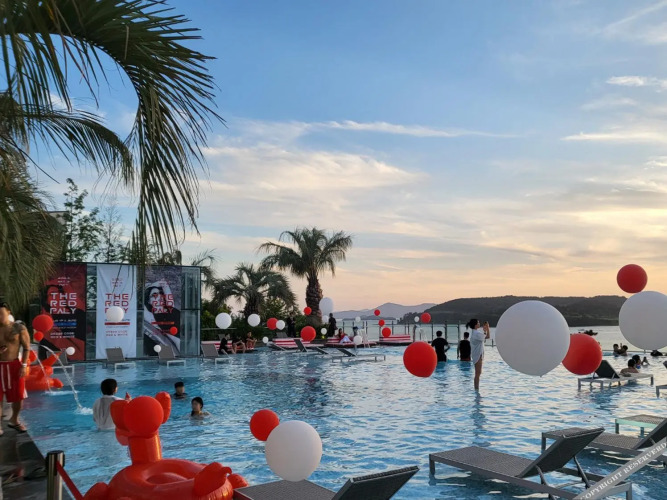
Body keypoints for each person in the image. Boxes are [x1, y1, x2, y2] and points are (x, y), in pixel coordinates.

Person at [0, 303, 31, 434]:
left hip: (14, 365)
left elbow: (27, 348)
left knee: (18, 396)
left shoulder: (18, 328)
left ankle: (14, 420)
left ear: (8, 312)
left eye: (1, 314)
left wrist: (24, 365)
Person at [467, 318, 490, 391]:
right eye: (478, 322)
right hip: (477, 355)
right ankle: (476, 389)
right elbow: (488, 337)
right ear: (475, 325)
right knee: (478, 373)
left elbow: (483, 338)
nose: (479, 323)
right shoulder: (476, 334)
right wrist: (488, 328)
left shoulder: (476, 333)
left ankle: (476, 388)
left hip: (477, 354)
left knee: (478, 373)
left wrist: (485, 331)